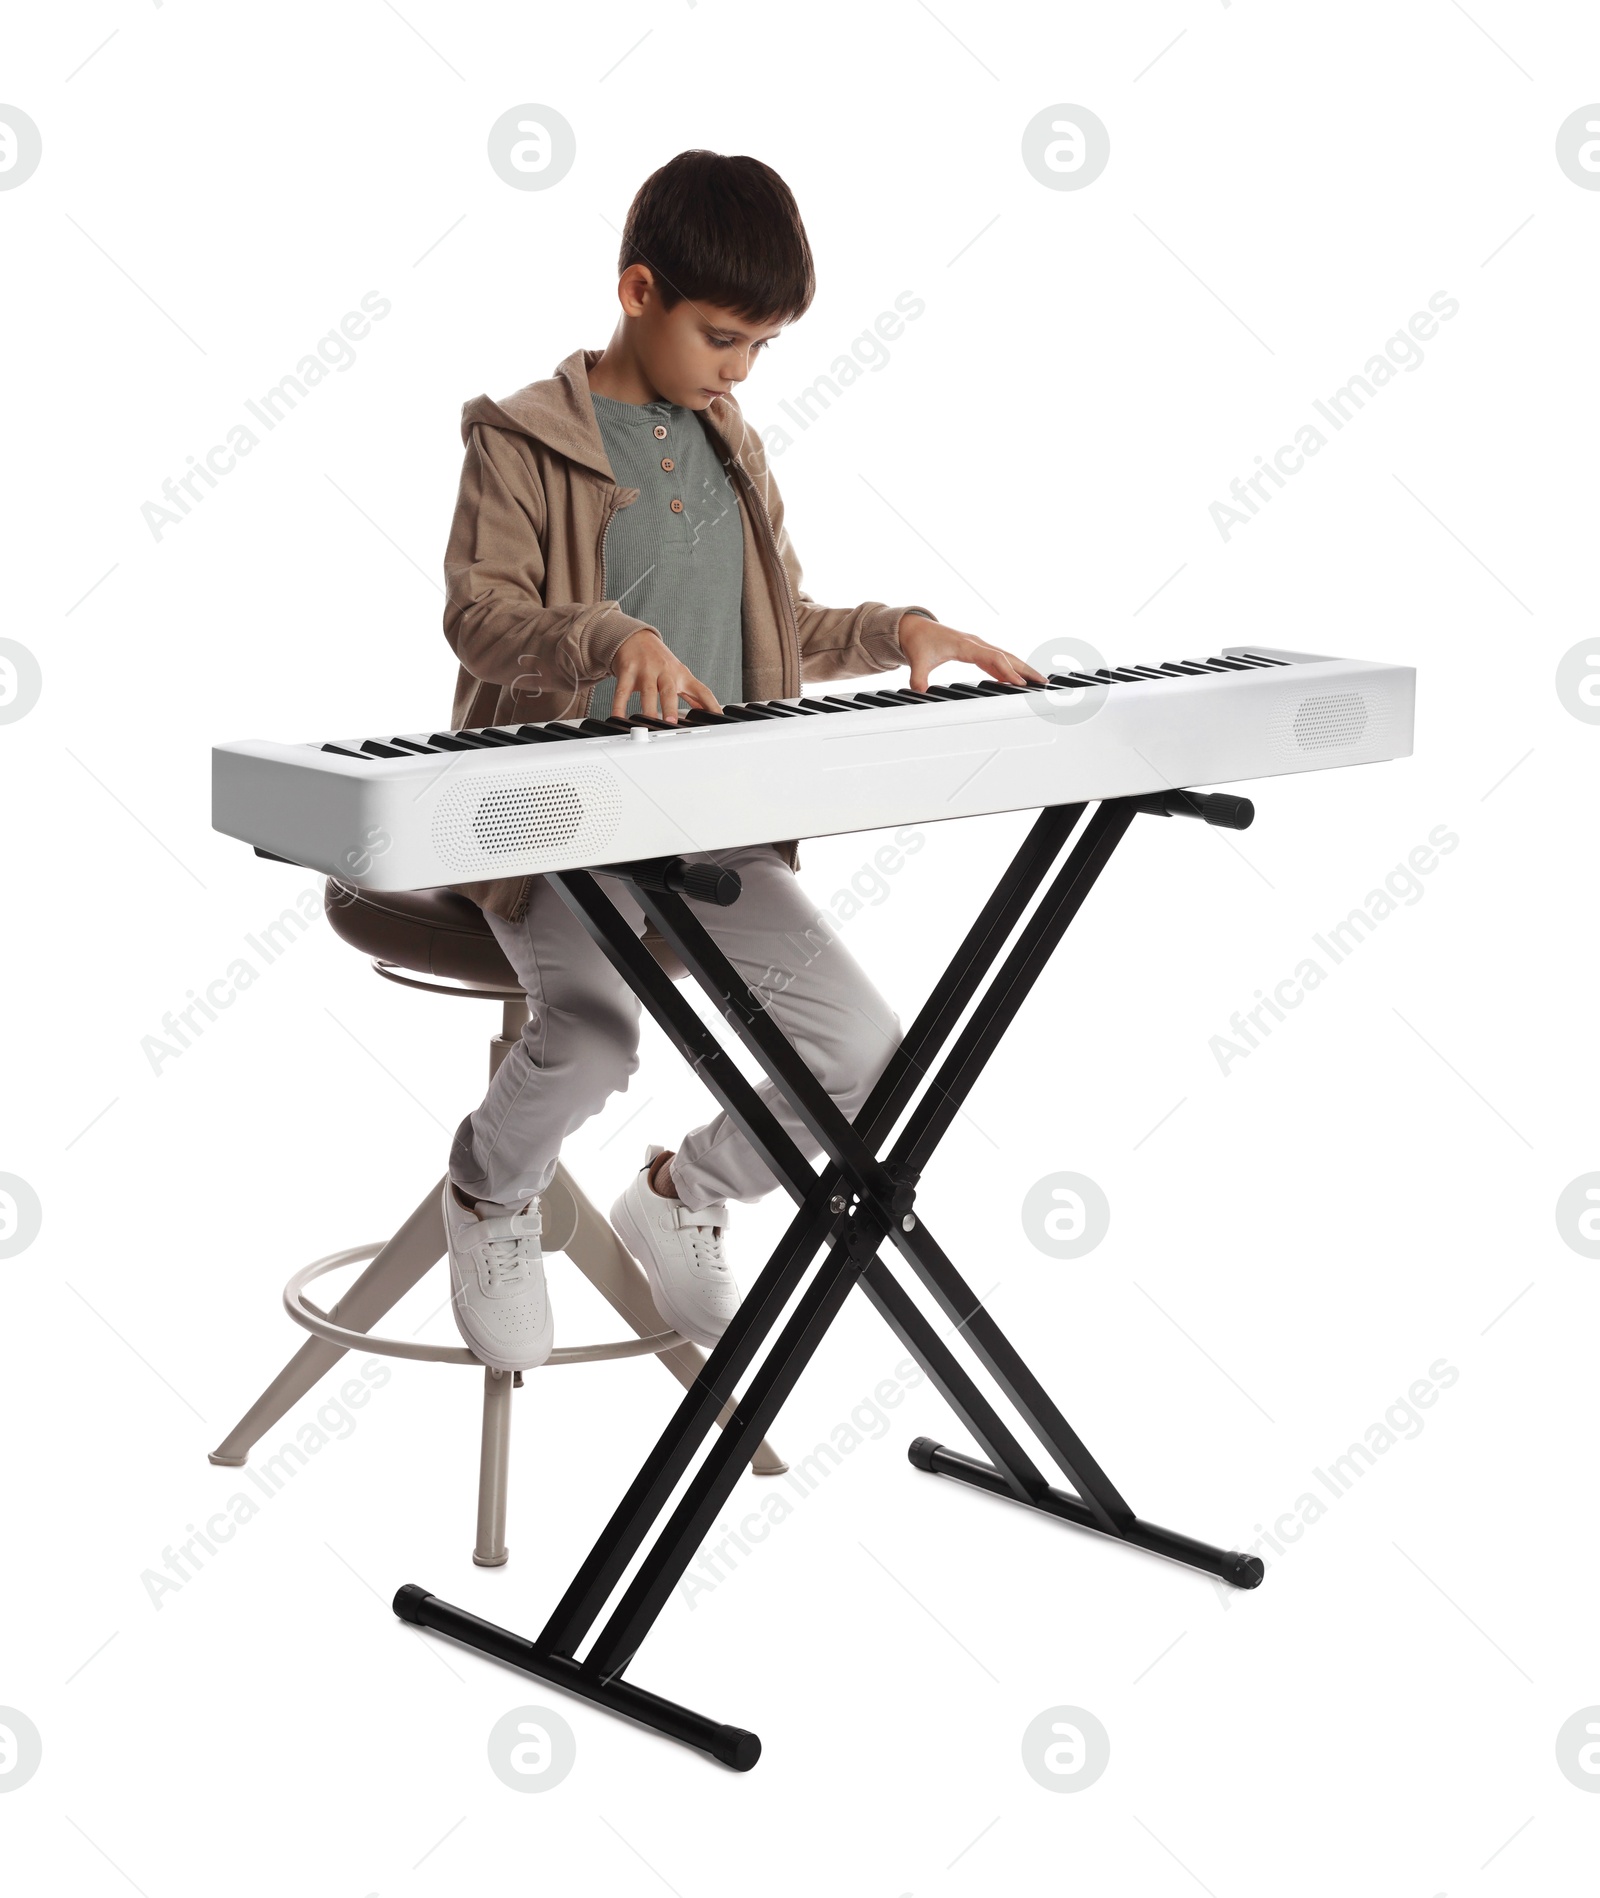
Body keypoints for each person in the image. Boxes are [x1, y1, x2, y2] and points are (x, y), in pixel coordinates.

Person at [440, 149, 1041, 1373]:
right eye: (724, 337)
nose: (740, 370)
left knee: (871, 1062)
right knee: (597, 1038)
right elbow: (479, 614)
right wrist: (606, 633)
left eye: (761, 347)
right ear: (639, 288)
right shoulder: (520, 438)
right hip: (554, 815)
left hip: (707, 820)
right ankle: (488, 1195)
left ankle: (681, 1187)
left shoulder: (730, 440)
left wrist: (893, 633)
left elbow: (776, 633)